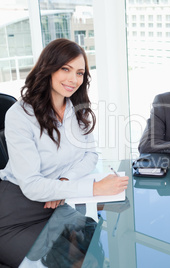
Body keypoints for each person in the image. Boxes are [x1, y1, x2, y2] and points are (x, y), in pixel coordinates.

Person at [0, 38, 129, 267]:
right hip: (17, 212)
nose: (73, 79)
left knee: (97, 247)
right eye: (65, 69)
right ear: (48, 68)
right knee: (66, 263)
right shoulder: (20, 115)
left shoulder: (76, 110)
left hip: (57, 202)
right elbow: (31, 185)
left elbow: (91, 155)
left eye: (80, 73)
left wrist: (64, 180)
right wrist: (94, 188)